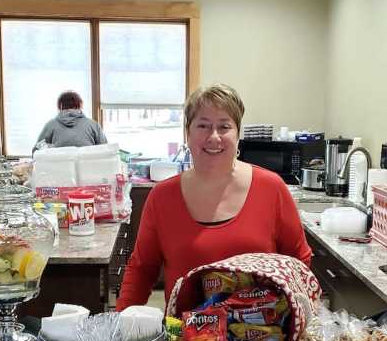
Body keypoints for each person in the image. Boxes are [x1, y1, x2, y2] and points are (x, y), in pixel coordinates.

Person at [116, 83, 312, 310]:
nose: (214, 136)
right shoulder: (162, 197)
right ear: (187, 134)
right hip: (185, 338)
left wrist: (296, 318)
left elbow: (299, 263)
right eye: (203, 125)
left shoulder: (272, 188)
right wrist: (120, 322)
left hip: (263, 337)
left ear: (238, 135)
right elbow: (142, 269)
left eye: (224, 126)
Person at [33, 91, 107, 152]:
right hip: (90, 168)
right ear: (80, 105)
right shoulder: (93, 125)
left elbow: (36, 151)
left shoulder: (50, 125)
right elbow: (105, 150)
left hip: (57, 169)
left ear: (60, 106)